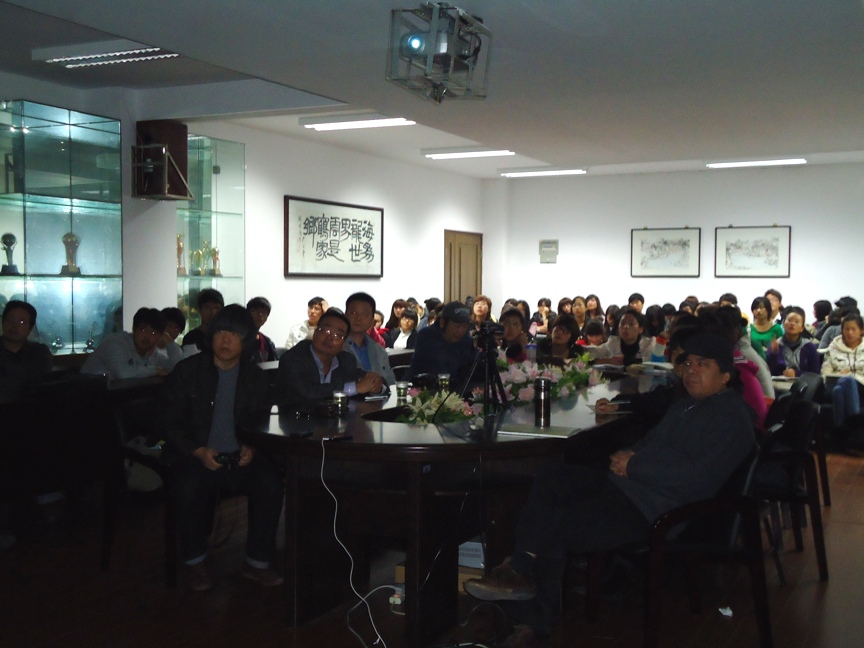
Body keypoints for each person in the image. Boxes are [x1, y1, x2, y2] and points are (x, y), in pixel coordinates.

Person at [463, 333, 756, 646]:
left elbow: (698, 477)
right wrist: (627, 456)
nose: (691, 371)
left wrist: (634, 465)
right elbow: (652, 443)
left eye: (703, 365)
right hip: (630, 486)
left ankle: (533, 622)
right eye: (688, 364)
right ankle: (519, 572)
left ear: (725, 375)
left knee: (555, 523)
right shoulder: (688, 405)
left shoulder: (730, 418)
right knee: (552, 476)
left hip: (656, 509)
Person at [161, 305, 284, 591]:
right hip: (195, 455)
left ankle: (257, 563)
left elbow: (262, 421)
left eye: (235, 334)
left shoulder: (255, 377)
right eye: (220, 332)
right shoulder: (188, 371)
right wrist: (198, 450)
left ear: (248, 340)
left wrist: (251, 447)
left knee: (270, 484)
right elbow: (166, 420)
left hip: (239, 458)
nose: (226, 340)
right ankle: (195, 562)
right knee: (188, 485)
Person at [275, 308, 382, 413]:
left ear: (344, 343)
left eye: (338, 335)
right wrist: (354, 388)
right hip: (296, 420)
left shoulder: (346, 360)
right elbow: (308, 392)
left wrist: (376, 385)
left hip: (334, 421)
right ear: (315, 332)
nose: (330, 338)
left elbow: (365, 378)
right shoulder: (293, 358)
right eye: (326, 331)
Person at [82, 307, 173, 380]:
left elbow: (176, 367)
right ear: (134, 328)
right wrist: (155, 370)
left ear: (160, 336)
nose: (147, 336)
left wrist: (170, 343)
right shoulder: (116, 342)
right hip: (88, 392)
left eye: (153, 332)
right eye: (143, 329)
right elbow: (123, 373)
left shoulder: (152, 353)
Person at [409, 301, 476, 392]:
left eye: (465, 326)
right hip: (426, 389)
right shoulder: (427, 336)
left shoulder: (466, 339)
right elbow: (425, 368)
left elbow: (468, 370)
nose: (461, 331)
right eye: (457, 326)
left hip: (458, 391)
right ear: (442, 323)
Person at [0, 300, 52, 400]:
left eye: (22, 322)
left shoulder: (39, 352)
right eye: (10, 320)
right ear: (3, 323)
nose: (14, 326)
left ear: (30, 328)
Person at [821, 313, 864, 433]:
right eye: (846, 329)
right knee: (843, 383)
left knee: (839, 391)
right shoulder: (833, 348)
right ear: (842, 330)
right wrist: (840, 375)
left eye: (853, 329)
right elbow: (825, 373)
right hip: (835, 383)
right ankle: (854, 427)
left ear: (861, 331)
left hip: (862, 388)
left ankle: (840, 432)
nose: (850, 332)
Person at [343, 292, 395, 387]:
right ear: (345, 316)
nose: (358, 318)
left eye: (364, 314)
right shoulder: (336, 347)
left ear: (372, 320)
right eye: (353, 313)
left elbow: (390, 383)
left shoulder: (379, 350)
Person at [584, 307, 653, 366]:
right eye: (622, 323)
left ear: (640, 329)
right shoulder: (613, 342)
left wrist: (626, 361)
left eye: (631, 324)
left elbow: (650, 362)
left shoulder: (649, 344)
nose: (626, 327)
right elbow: (596, 352)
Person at [765, 306, 820, 377]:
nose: (792, 324)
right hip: (779, 382)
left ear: (802, 328)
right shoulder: (776, 345)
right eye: (789, 320)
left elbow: (815, 373)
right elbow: (769, 372)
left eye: (797, 322)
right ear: (783, 323)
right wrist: (773, 354)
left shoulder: (809, 346)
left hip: (805, 382)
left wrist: (796, 373)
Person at [245, 296, 278, 363]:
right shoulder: (241, 338)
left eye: (264, 312)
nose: (260, 315)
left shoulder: (267, 342)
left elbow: (274, 364)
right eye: (255, 312)